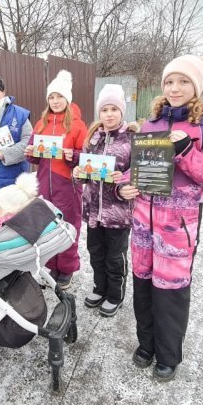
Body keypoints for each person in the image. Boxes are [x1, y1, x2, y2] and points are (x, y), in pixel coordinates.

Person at [118, 55, 203, 381]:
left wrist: (187, 152)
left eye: (184, 81)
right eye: (170, 81)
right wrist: (125, 186)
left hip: (177, 228)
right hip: (142, 224)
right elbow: (136, 171)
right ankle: (146, 345)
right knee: (142, 287)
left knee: (169, 291)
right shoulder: (151, 123)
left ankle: (168, 356)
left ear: (196, 87)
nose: (175, 88)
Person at [73, 84, 138, 317]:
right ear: (99, 113)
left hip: (118, 213)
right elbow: (84, 172)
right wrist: (77, 175)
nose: (109, 114)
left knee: (114, 257)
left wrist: (122, 186)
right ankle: (100, 289)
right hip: (93, 211)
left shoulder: (131, 139)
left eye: (114, 109)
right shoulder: (93, 138)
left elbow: (136, 176)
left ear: (122, 111)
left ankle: (114, 295)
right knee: (96, 253)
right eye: (104, 110)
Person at [25, 70, 88, 289]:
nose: (55, 101)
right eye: (51, 97)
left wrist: (75, 157)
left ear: (67, 99)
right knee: (47, 226)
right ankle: (51, 264)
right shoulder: (41, 123)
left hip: (67, 184)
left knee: (68, 225)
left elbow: (87, 157)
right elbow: (33, 156)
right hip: (44, 182)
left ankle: (68, 268)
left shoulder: (78, 125)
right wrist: (30, 151)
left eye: (59, 96)